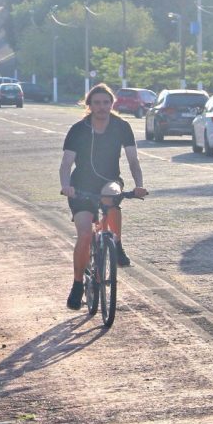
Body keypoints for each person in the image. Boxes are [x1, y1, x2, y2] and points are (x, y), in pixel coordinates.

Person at [58, 84, 147, 310]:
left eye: (106, 103)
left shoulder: (121, 127)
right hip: (81, 186)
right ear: (89, 105)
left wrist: (139, 185)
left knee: (112, 195)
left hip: (110, 180)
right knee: (86, 235)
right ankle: (78, 284)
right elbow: (66, 164)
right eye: (96, 103)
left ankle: (115, 243)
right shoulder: (79, 130)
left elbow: (133, 161)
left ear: (112, 104)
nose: (101, 107)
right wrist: (66, 186)